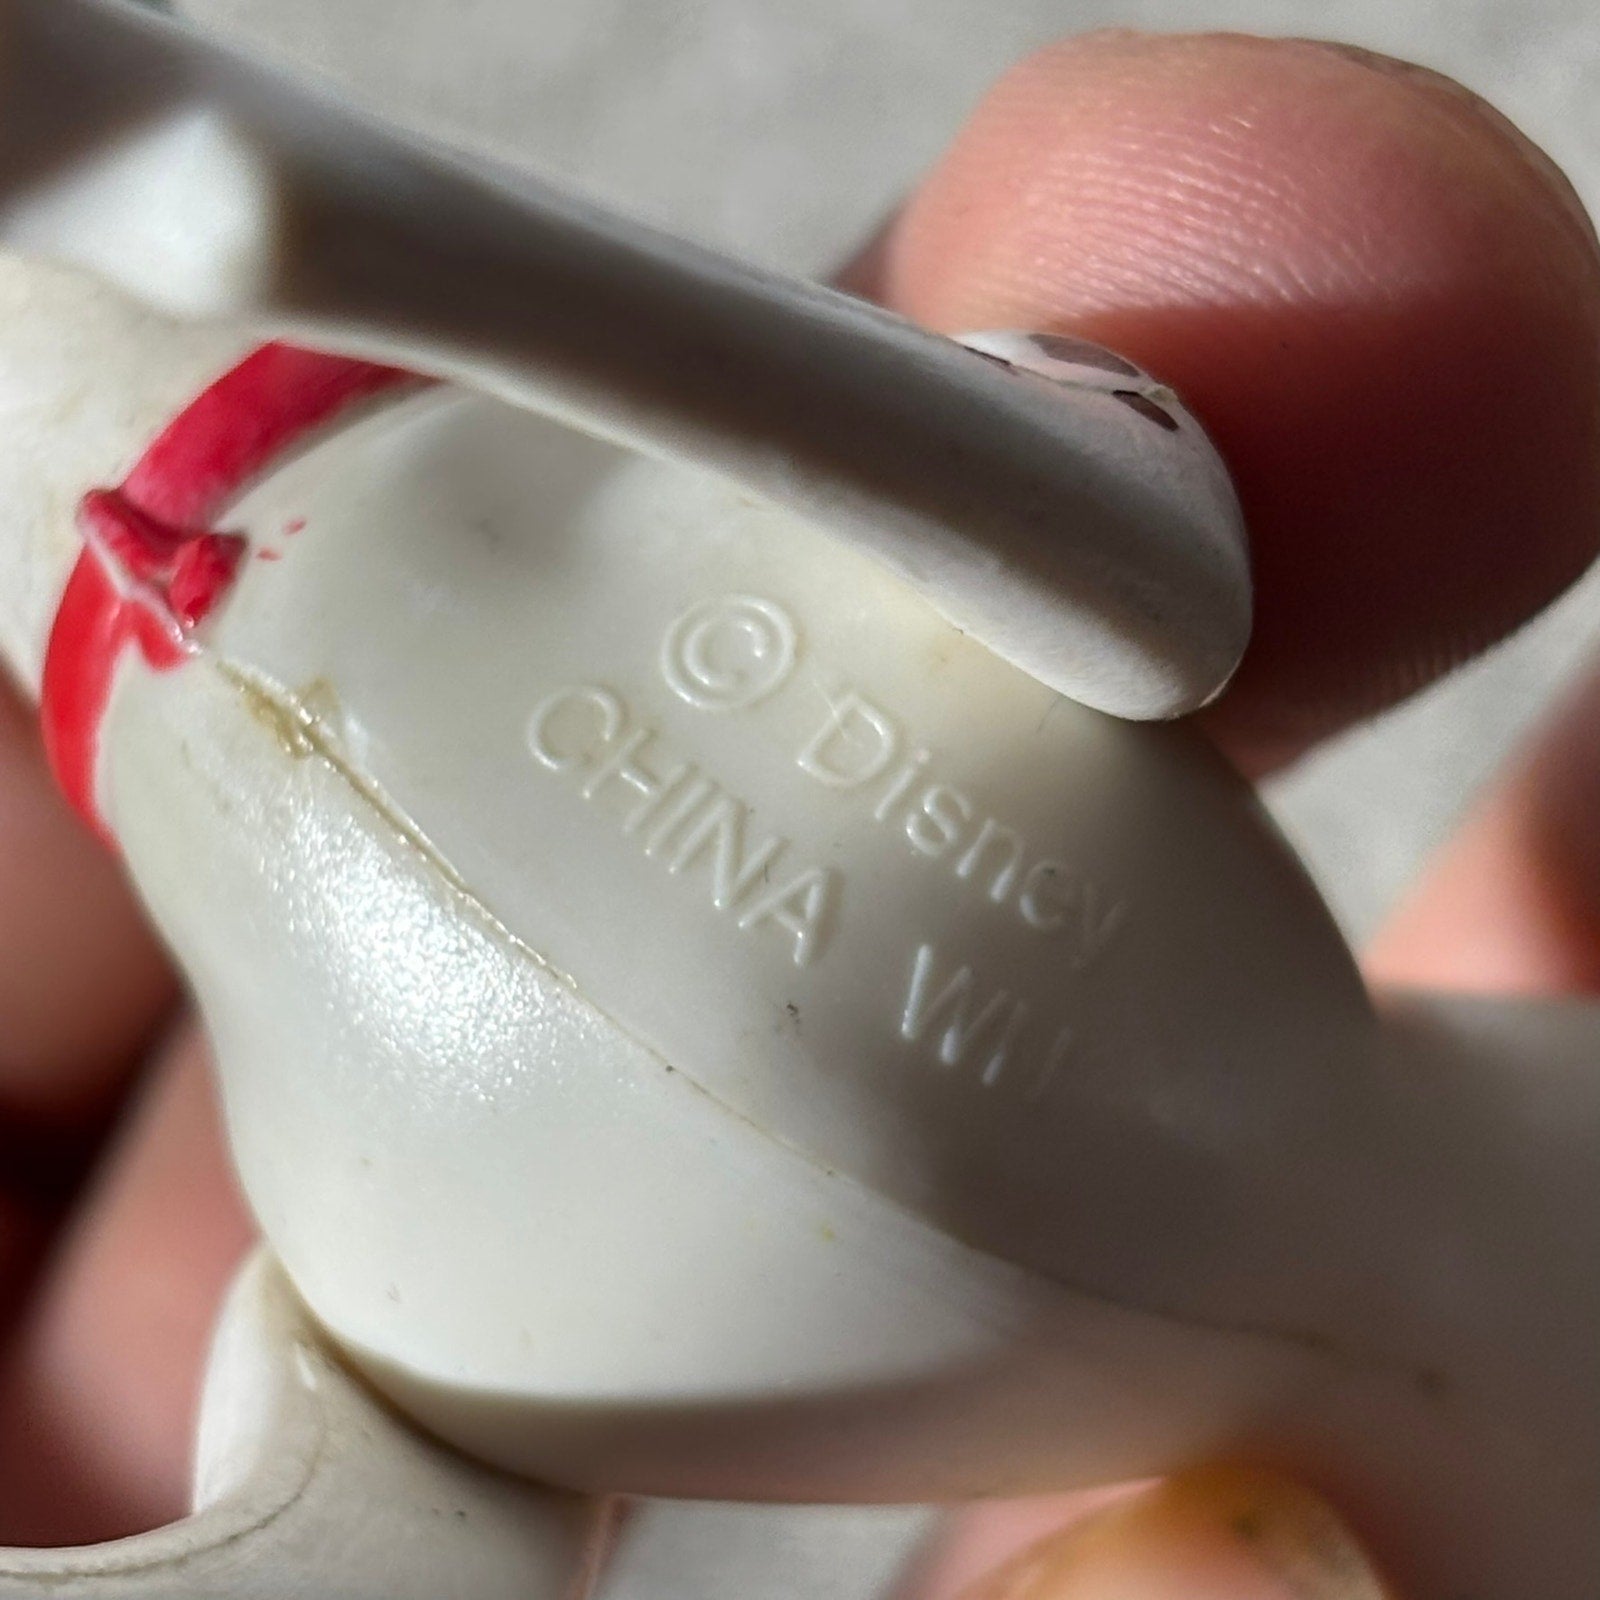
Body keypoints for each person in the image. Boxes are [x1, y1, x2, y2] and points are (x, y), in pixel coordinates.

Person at [0, 30, 1595, 1600]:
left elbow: (1147, 541)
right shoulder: (378, 1255)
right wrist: (331, 223)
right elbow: (1152, 546)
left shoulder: (387, 1263)